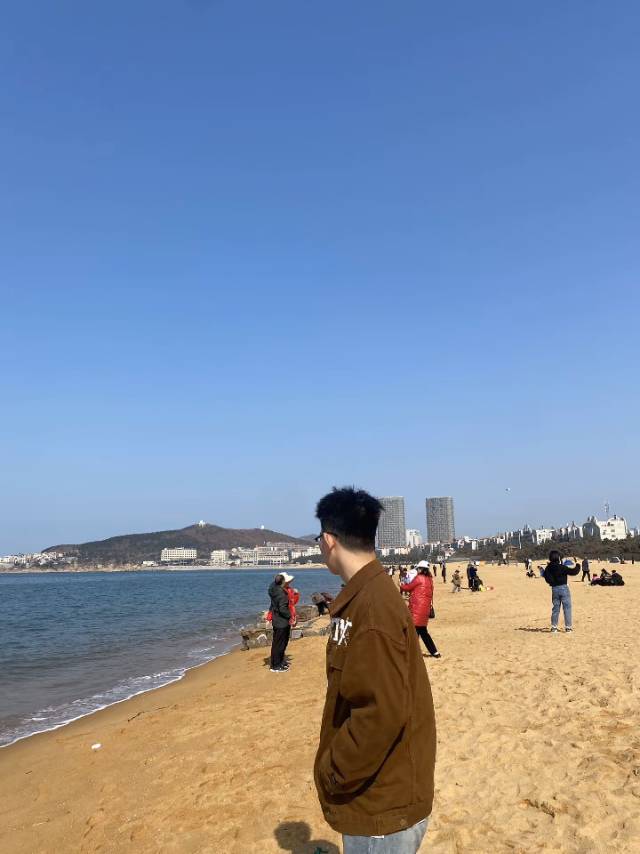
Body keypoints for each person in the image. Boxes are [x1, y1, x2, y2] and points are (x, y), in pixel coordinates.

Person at [313, 487, 435, 854]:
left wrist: (332, 771)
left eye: (319, 540)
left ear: (329, 540)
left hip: (382, 803)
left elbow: (381, 713)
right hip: (378, 792)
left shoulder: (372, 608)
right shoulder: (364, 596)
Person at [400, 562, 441, 659]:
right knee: (423, 631)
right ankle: (434, 652)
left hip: (416, 609)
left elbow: (408, 587)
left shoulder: (419, 578)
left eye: (418, 568)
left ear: (422, 569)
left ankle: (411, 653)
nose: (417, 570)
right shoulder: (430, 580)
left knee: (413, 632)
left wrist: (400, 585)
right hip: (425, 609)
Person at [543, 551, 580, 633]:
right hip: (564, 588)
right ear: (558, 558)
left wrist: (552, 582)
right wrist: (578, 564)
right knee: (567, 608)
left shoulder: (548, 568)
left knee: (555, 608)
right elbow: (574, 572)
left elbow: (546, 578)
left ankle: (554, 627)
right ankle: (568, 628)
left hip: (554, 589)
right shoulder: (562, 567)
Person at [268, 573, 292, 672]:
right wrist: (290, 616)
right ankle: (276, 665)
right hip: (281, 621)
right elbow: (283, 609)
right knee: (280, 644)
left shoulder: (273, 589)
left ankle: (279, 661)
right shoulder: (281, 594)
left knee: (278, 643)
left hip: (277, 619)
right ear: (283, 582)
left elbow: (273, 584)